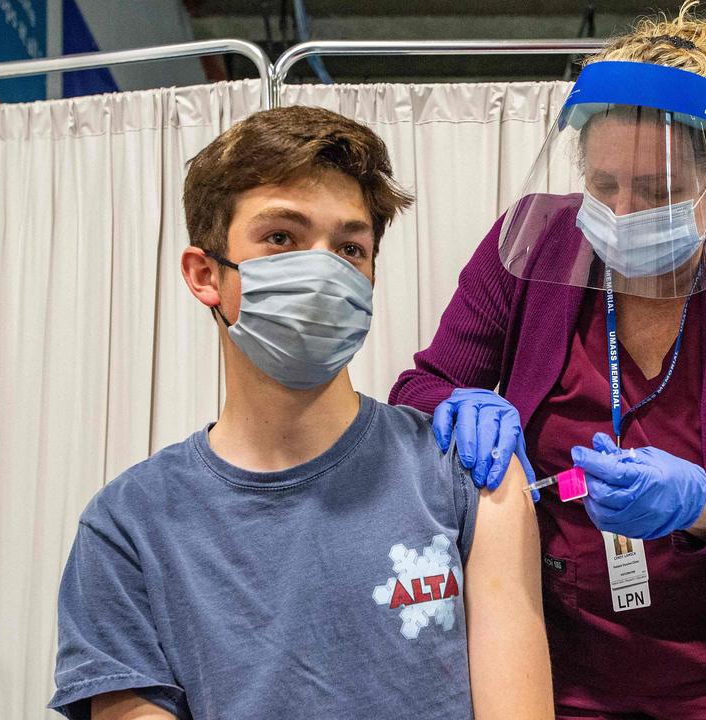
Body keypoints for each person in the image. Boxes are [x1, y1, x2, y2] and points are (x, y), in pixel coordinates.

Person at [390, 5, 706, 720]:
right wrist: (451, 409)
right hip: (554, 659)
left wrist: (703, 503)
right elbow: (422, 385)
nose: (623, 210)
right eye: (603, 185)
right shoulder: (532, 249)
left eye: (658, 191)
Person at [49, 106, 553, 720]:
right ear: (205, 273)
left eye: (349, 247)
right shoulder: (129, 528)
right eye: (281, 238)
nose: (322, 271)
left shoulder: (467, 478)